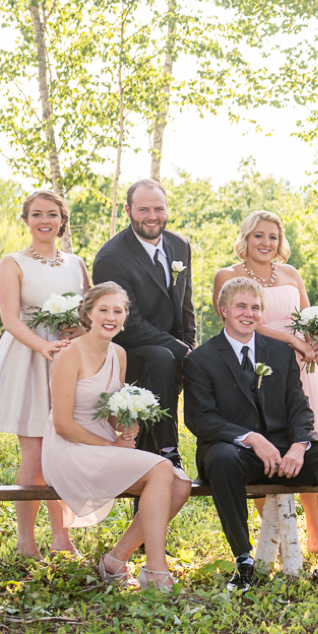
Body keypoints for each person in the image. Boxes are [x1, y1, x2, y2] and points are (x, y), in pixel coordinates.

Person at [184, 278, 318, 592]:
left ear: (261, 313)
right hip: (235, 452)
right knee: (221, 459)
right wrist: (251, 438)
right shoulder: (200, 360)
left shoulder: (279, 352)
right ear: (223, 311)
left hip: (285, 451)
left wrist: (299, 446)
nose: (248, 314)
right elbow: (200, 419)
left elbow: (300, 407)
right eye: (241, 306)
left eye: (255, 307)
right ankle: (243, 561)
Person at [41, 283, 192, 591]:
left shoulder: (119, 354)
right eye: (103, 310)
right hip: (70, 449)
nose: (111, 317)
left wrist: (123, 424)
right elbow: (62, 425)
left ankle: (115, 559)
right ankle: (155, 569)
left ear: (125, 317)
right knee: (162, 469)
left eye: (118, 311)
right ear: (87, 314)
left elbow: (109, 406)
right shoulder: (68, 356)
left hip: (102, 443)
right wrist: (111, 444)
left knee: (181, 484)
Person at [212, 210, 318, 555]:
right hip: (258, 366)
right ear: (245, 239)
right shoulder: (228, 275)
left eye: (273, 237)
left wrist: (314, 340)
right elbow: (240, 321)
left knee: (312, 445)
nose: (266, 243)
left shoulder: (291, 274)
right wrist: (290, 340)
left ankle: (315, 536)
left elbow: (307, 319)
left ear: (281, 242)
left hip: (302, 368)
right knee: (268, 450)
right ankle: (276, 543)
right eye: (259, 236)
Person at [0, 190, 90, 559]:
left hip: (68, 360)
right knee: (35, 452)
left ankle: (61, 538)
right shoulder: (12, 263)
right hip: (29, 358)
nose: (45, 221)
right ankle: (26, 540)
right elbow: (10, 319)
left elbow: (88, 314)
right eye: (37, 214)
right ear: (26, 220)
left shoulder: (77, 263)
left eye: (52, 214)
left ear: (62, 220)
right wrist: (43, 347)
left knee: (64, 448)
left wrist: (80, 332)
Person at [92, 180, 195, 469]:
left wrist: (191, 349)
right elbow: (127, 323)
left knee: (210, 362)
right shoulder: (112, 258)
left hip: (170, 349)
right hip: (129, 350)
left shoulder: (180, 245)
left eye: (158, 209)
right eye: (143, 209)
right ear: (128, 210)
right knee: (161, 358)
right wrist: (179, 350)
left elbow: (186, 305)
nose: (152, 216)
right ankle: (167, 450)